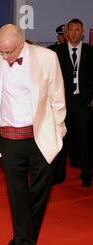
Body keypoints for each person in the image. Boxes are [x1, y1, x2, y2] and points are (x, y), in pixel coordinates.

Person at [0, 24, 66, 245]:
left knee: (38, 193)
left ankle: (23, 237)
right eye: (1, 52)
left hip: (41, 138)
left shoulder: (47, 58)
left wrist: (59, 131)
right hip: (10, 140)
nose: (5, 57)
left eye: (10, 52)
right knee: (17, 195)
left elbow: (57, 98)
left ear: (22, 41)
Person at [54, 19, 93, 187]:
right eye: (71, 30)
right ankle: (59, 174)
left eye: (78, 30)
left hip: (83, 104)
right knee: (61, 141)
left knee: (86, 141)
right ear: (66, 33)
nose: (75, 33)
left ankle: (86, 175)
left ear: (82, 32)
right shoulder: (56, 52)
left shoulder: (91, 52)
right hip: (63, 103)